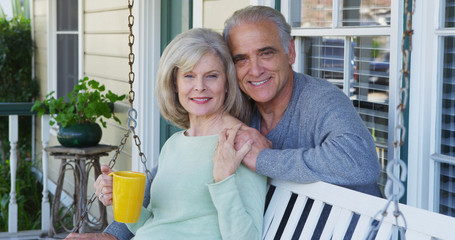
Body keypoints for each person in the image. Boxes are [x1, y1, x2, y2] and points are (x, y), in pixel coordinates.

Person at [68, 5, 380, 240]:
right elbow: (168, 182)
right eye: (241, 58)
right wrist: (113, 233)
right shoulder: (245, 109)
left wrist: (262, 158)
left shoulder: (319, 101)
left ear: (291, 51)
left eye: (266, 53)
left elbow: (362, 163)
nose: (254, 69)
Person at [65, 28, 266, 240]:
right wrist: (120, 196)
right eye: (189, 76)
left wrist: (223, 180)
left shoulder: (242, 143)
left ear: (227, 83)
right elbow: (154, 223)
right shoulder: (174, 144)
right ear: (175, 84)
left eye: (212, 76)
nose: (199, 87)